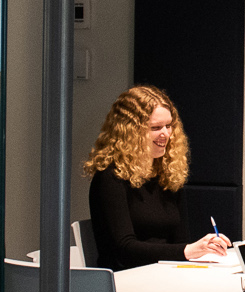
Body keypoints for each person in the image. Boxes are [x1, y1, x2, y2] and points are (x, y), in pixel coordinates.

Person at [84, 85, 230, 270]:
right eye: (156, 127)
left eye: (169, 126)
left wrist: (197, 249)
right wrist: (187, 251)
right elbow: (124, 248)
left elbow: (180, 241)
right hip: (127, 278)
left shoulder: (168, 173)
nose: (166, 134)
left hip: (163, 272)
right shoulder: (110, 177)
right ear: (129, 132)